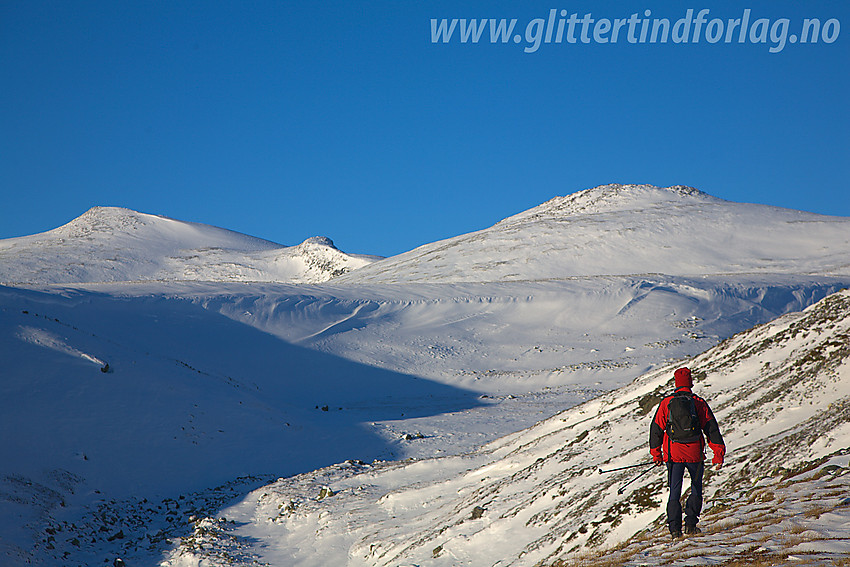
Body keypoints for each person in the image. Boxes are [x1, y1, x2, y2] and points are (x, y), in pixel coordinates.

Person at [649, 367, 725, 539]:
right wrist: (718, 454)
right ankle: (691, 524)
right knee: (696, 488)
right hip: (694, 455)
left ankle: (675, 530)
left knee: (675, 491)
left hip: (673, 454)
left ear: (676, 383)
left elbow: (656, 429)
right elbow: (711, 429)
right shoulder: (699, 402)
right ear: (690, 383)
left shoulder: (666, 403)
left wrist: (656, 455)